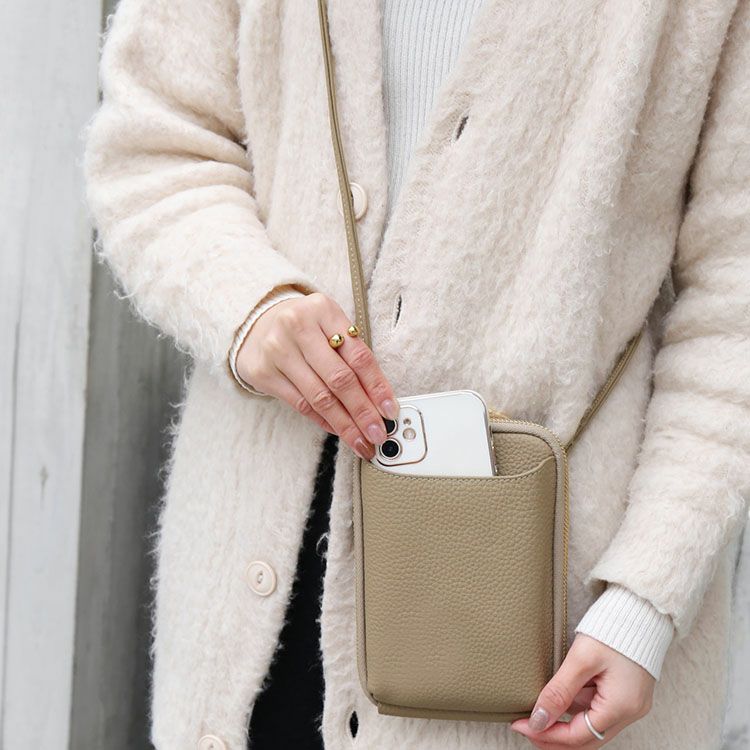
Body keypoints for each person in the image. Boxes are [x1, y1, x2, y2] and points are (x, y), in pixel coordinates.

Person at [83, 0, 750, 748]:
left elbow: (736, 298)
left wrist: (643, 602)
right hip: (251, 597)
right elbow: (154, 142)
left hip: (558, 636)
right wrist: (247, 304)